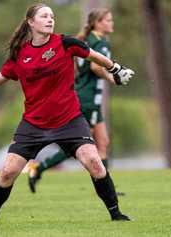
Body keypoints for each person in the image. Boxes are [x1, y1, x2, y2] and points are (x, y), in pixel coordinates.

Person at [0, 3, 134, 223]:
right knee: (7, 173)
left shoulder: (66, 43)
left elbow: (94, 56)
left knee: (94, 161)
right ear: (31, 22)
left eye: (52, 16)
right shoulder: (19, 54)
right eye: (44, 16)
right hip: (33, 124)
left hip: (69, 119)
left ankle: (116, 214)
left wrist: (115, 68)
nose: (50, 19)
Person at [27, 8, 120, 194]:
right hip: (87, 98)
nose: (111, 23)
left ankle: (109, 188)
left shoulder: (88, 39)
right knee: (78, 145)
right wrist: (114, 77)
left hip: (88, 96)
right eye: (108, 20)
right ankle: (39, 167)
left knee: (103, 141)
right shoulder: (101, 42)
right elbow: (96, 66)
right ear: (98, 23)